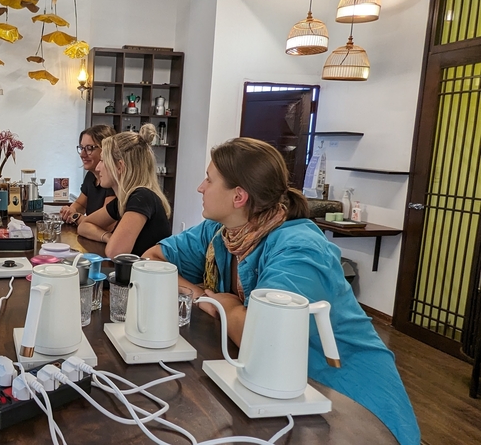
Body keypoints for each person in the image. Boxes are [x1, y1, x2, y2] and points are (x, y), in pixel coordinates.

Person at [143, 137, 420, 445]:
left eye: (209, 180)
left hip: (347, 398)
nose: (200, 187)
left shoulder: (299, 245)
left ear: (238, 196)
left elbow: (264, 339)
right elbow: (151, 260)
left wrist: (231, 309)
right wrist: (204, 298)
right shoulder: (221, 231)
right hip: (276, 388)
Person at [77, 124, 172, 257]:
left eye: (103, 161)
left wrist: (110, 239)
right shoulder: (125, 200)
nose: (98, 168)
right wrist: (106, 236)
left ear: (119, 166)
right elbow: (83, 226)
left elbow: (115, 252)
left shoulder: (141, 197)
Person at [59, 124, 116, 224]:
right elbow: (81, 205)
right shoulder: (91, 176)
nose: (82, 154)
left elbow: (106, 224)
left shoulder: (112, 181)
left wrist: (77, 217)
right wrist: (70, 211)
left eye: (89, 148)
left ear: (106, 150)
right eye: (81, 148)